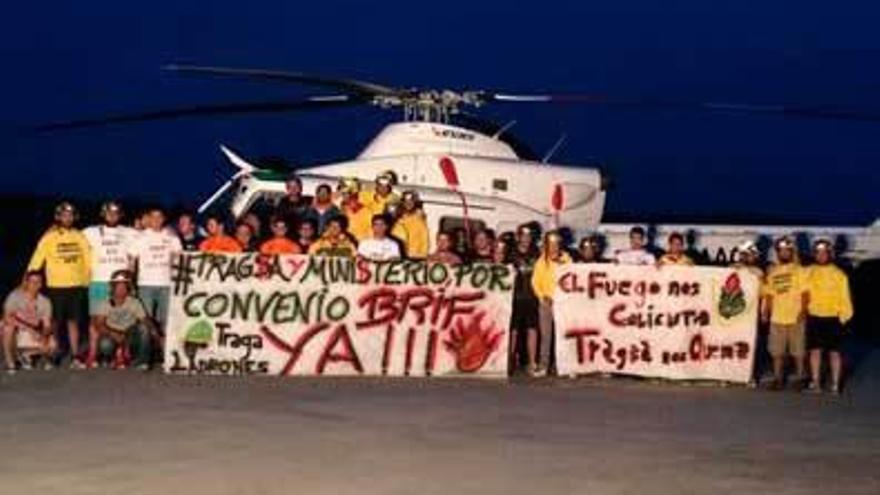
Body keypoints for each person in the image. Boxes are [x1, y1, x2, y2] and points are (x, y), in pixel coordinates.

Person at [27, 201, 91, 368]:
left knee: (73, 322)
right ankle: (53, 355)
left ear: (74, 217)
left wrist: (87, 280)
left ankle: (76, 357)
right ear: (58, 217)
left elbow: (88, 259)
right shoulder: (49, 237)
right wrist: (28, 279)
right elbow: (37, 259)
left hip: (77, 285)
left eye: (70, 215)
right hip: (56, 286)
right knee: (55, 322)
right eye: (64, 215)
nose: (67, 218)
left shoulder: (79, 235)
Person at [804, 239, 853, 395]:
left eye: (824, 252)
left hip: (833, 318)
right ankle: (816, 383)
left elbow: (845, 297)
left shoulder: (839, 274)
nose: (821, 255)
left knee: (834, 352)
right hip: (814, 316)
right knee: (815, 351)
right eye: (818, 252)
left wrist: (844, 317)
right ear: (814, 254)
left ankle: (835, 385)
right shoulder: (808, 271)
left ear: (830, 254)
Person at [761, 236, 808, 389]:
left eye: (787, 251)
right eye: (781, 251)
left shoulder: (800, 270)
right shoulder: (773, 271)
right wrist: (766, 311)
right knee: (777, 351)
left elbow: (805, 292)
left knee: (798, 351)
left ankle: (800, 377)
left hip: (795, 316)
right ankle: (778, 378)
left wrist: (803, 310)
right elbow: (769, 293)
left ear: (792, 252)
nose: (784, 253)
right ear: (778, 253)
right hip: (777, 317)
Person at [128, 207, 182, 339]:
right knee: (145, 321)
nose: (156, 220)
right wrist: (130, 283)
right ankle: (144, 355)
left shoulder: (172, 236)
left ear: (163, 219)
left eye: (159, 217)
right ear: (149, 219)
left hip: (167, 284)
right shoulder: (140, 237)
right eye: (153, 217)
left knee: (167, 320)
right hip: (145, 284)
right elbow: (131, 259)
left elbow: (179, 258)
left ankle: (166, 354)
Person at [87, 270, 156, 370]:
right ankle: (112, 357)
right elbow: (99, 324)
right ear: (113, 288)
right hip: (112, 334)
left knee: (144, 328)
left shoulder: (134, 302)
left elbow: (145, 320)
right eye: (118, 287)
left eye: (124, 287)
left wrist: (156, 334)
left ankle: (142, 361)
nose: (121, 290)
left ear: (128, 288)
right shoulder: (105, 302)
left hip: (129, 334)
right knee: (105, 345)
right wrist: (113, 334)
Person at [82, 201, 136, 323]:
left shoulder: (129, 232)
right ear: (103, 214)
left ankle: (118, 342)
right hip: (98, 281)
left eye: (115, 213)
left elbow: (151, 235)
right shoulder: (90, 231)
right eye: (108, 213)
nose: (112, 216)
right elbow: (72, 237)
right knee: (95, 320)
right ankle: (93, 343)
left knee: (122, 320)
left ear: (120, 215)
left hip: (121, 283)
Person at [531, 230, 572, 377]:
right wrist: (542, 297)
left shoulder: (567, 259)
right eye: (550, 243)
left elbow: (571, 279)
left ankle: (565, 366)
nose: (553, 246)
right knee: (546, 335)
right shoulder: (542, 261)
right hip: (546, 302)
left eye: (556, 243)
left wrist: (563, 298)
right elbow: (535, 282)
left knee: (563, 335)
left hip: (562, 303)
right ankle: (544, 366)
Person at [2, 271, 56, 373]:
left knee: (53, 346)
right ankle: (11, 363)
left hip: (30, 332)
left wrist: (44, 337)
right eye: (32, 282)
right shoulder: (15, 296)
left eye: (38, 282)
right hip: (16, 329)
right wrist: (29, 330)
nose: (35, 285)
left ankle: (25, 355)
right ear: (26, 282)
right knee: (7, 328)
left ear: (41, 284)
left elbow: (47, 325)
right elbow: (6, 317)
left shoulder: (45, 301)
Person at [509, 224, 540, 374]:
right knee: (513, 330)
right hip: (514, 297)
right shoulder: (511, 253)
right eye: (523, 236)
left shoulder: (537, 253)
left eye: (529, 236)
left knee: (532, 330)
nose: (526, 239)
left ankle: (532, 362)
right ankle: (510, 360)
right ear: (518, 237)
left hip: (532, 297)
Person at [391, 190, 429, 259]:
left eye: (411, 201)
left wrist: (422, 256)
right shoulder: (396, 218)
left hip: (413, 256)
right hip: (396, 255)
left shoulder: (419, 219)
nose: (408, 203)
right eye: (406, 201)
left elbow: (424, 240)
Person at [339, 178, 373, 242]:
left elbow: (370, 233)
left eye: (346, 193)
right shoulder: (340, 208)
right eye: (343, 193)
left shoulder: (366, 212)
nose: (343, 196)